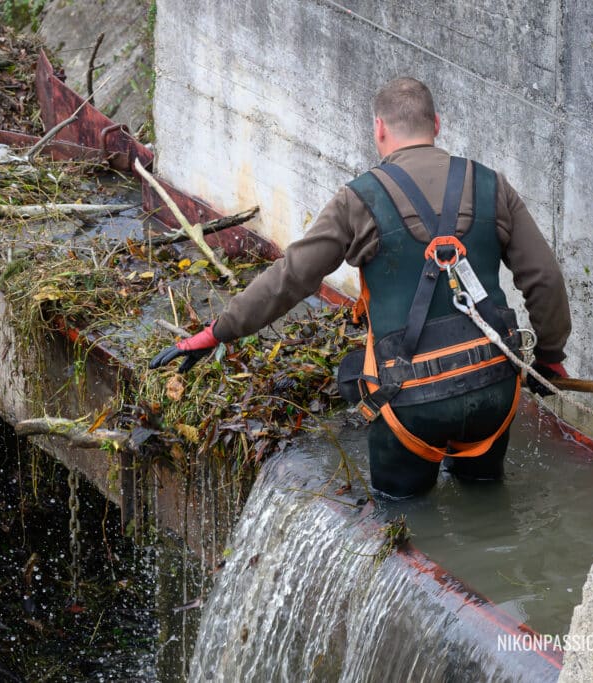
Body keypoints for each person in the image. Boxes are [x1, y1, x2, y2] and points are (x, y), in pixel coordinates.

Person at [149, 77, 571, 498]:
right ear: (436, 124)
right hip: (493, 388)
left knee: (402, 518)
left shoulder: (358, 200)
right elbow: (545, 280)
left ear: (380, 129)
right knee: (485, 504)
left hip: (408, 401)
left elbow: (290, 278)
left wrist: (215, 333)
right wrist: (549, 358)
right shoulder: (492, 186)